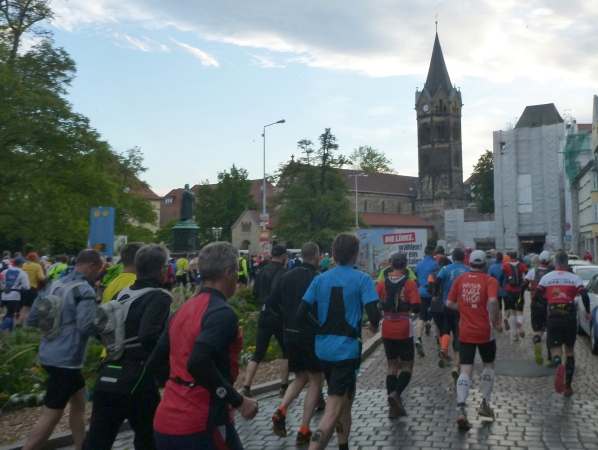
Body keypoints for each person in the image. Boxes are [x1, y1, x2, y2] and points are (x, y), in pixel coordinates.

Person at [148, 242, 258, 449]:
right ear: (228, 273)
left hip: (166, 423)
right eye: (236, 272)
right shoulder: (222, 313)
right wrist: (238, 401)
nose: (238, 277)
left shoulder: (183, 310)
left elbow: (155, 362)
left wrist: (180, 383)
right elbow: (198, 362)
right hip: (203, 424)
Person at [297, 233, 381, 450]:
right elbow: (374, 313)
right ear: (355, 254)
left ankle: (344, 446)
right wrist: (373, 325)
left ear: (333, 254)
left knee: (345, 402)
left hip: (323, 349)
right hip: (347, 350)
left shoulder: (319, 279)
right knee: (333, 409)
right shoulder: (362, 279)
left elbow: (301, 312)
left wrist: (319, 326)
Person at [85, 244, 172, 450]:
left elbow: (99, 328)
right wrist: (164, 368)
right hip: (138, 378)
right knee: (151, 440)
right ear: (162, 271)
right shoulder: (159, 296)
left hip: (108, 372)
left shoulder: (122, 294)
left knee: (97, 442)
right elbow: (148, 334)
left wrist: (115, 345)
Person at [24, 250, 103, 450]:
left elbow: (31, 319)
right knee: (51, 416)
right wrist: (105, 330)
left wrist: (54, 329)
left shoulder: (53, 285)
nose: (99, 273)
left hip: (48, 354)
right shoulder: (84, 290)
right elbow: (86, 325)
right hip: (67, 360)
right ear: (91, 266)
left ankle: (81, 446)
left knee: (79, 400)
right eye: (99, 269)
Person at [271, 242, 323, 445]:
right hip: (309, 333)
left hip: (289, 333)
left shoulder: (286, 275)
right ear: (316, 256)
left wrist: (286, 316)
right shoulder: (316, 278)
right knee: (315, 379)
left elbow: (272, 301)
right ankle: (304, 429)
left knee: (300, 377)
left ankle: (281, 409)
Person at [446, 250, 501, 429]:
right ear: (484, 264)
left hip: (466, 331)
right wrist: (496, 321)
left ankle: (461, 408)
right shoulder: (489, 281)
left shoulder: (460, 280)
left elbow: (449, 303)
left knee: (465, 368)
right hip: (485, 331)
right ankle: (485, 403)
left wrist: (464, 307)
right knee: (488, 365)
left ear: (469, 263)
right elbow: (493, 301)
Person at [534, 251, 591, 397]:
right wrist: (587, 312)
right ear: (567, 263)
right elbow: (584, 295)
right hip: (569, 317)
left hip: (553, 316)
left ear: (554, 263)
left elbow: (536, 296)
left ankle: (558, 364)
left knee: (555, 349)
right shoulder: (574, 278)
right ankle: (567, 386)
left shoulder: (547, 277)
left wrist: (547, 302)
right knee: (570, 350)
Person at [376, 252, 421, 418]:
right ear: (406, 265)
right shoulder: (410, 283)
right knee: (407, 366)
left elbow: (373, 301)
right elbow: (416, 307)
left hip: (387, 326)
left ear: (391, 265)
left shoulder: (382, 283)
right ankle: (396, 393)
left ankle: (392, 408)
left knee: (392, 366)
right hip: (404, 327)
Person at [241, 245, 289, 397]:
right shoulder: (283, 272)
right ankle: (283, 387)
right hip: (278, 315)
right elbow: (281, 294)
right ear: (283, 256)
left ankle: (246, 386)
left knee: (258, 354)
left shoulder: (262, 271)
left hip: (264, 315)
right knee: (286, 351)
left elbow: (255, 292)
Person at [432, 248, 470, 381]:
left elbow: (437, 281)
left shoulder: (445, 269)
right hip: (462, 306)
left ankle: (444, 348)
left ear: (452, 258)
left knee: (447, 328)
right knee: (459, 334)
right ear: (464, 258)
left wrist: (436, 294)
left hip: (447, 304)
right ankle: (457, 365)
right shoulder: (468, 270)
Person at [522, 251, 552, 366]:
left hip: (536, 304)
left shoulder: (532, 271)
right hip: (550, 305)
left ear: (540, 260)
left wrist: (520, 299)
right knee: (550, 331)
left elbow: (523, 285)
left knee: (537, 330)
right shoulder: (552, 272)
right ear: (550, 261)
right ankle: (550, 359)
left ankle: (537, 342)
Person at [414, 245, 438, 356]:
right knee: (434, 312)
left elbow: (416, 277)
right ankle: (430, 324)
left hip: (421, 291)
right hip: (432, 292)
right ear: (433, 253)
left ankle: (419, 338)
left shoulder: (419, 264)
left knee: (421, 316)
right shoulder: (434, 264)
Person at [500, 251, 528, 341]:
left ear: (509, 257)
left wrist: (501, 285)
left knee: (512, 311)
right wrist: (525, 284)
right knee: (519, 310)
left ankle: (515, 334)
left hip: (510, 291)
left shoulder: (505, 265)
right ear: (517, 256)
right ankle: (520, 324)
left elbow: (501, 276)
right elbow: (527, 274)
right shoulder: (522, 265)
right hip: (519, 291)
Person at [1, 256, 29, 332]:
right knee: (10, 314)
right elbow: (26, 286)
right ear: (20, 264)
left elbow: (1, 282)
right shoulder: (22, 273)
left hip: (4, 295)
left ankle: (10, 332)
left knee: (9, 313)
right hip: (14, 296)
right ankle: (1, 329)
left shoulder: (5, 271)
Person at [19, 252, 46, 326]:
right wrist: (45, 277)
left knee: (22, 309)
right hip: (31, 289)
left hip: (22, 288)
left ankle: (19, 323)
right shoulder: (37, 266)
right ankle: (19, 326)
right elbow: (41, 278)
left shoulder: (24, 265)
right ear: (35, 259)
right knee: (27, 310)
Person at [487, 252, 508, 331]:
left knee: (499, 307)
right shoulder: (506, 266)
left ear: (496, 258)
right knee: (507, 307)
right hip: (506, 289)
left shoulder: (492, 267)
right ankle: (506, 318)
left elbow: (489, 279)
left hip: (496, 289)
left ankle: (499, 323)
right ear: (502, 258)